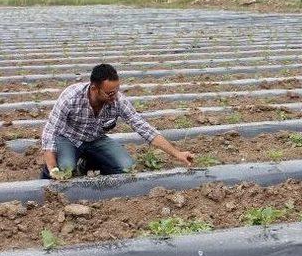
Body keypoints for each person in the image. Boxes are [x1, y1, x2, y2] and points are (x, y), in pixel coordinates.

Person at [41, 64, 194, 179]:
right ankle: (53, 169)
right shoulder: (70, 97)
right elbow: (50, 132)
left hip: (95, 140)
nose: (114, 96)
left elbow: (143, 128)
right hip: (69, 139)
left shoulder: (118, 100)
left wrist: (177, 154)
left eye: (116, 90)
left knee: (127, 167)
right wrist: (53, 168)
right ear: (94, 88)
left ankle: (88, 163)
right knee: (66, 171)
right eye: (109, 93)